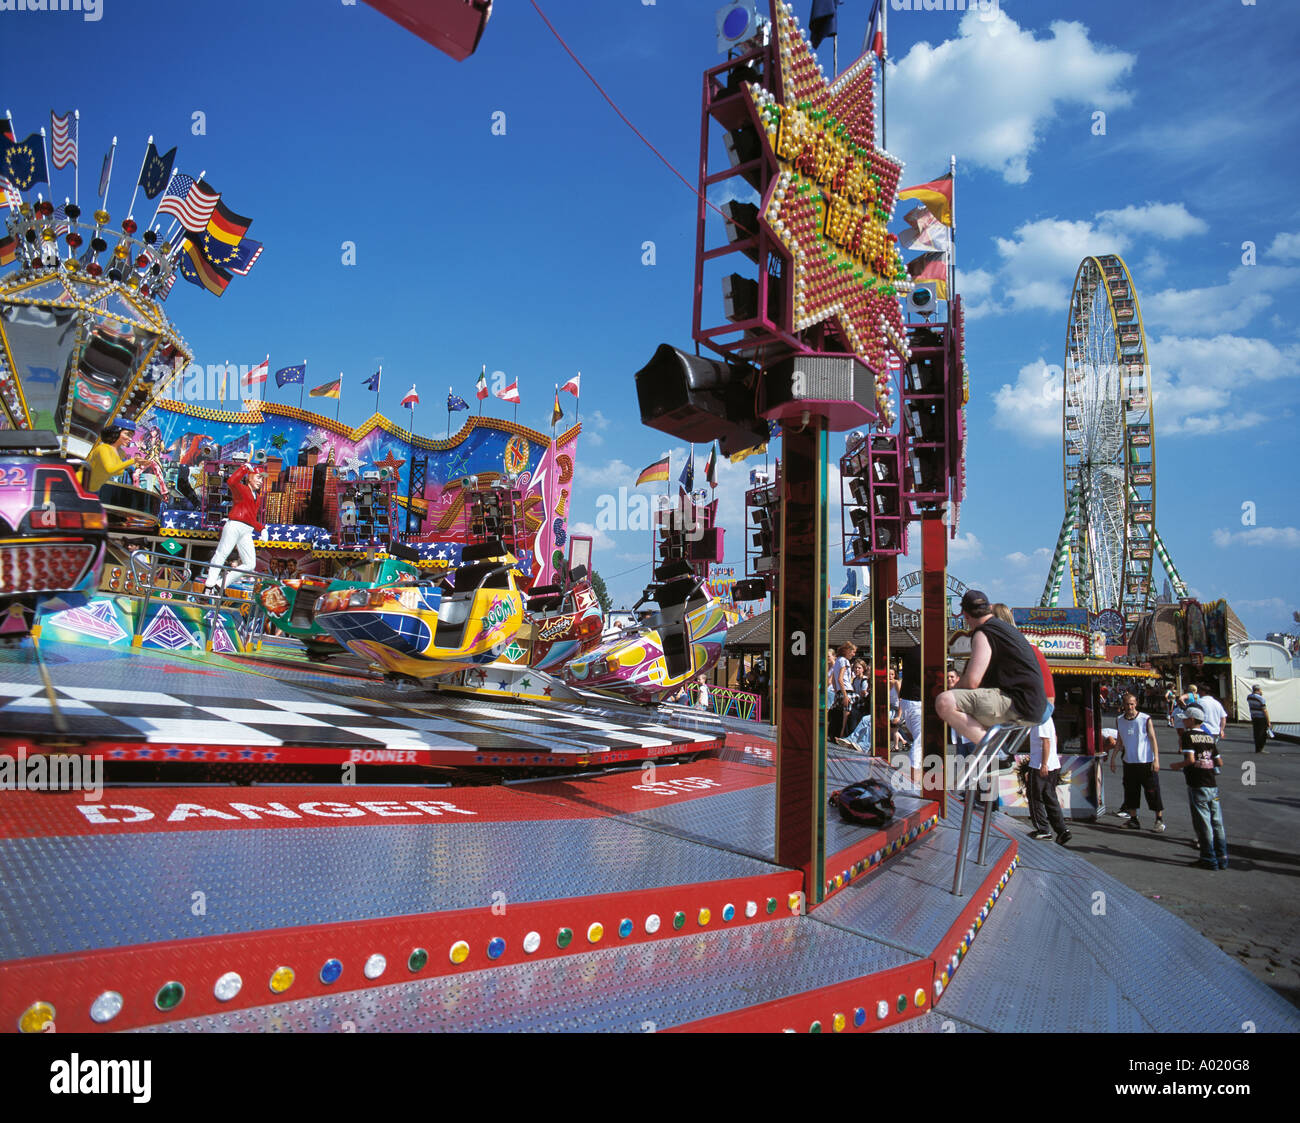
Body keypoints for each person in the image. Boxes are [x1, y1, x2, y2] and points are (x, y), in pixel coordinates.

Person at [935, 589, 1048, 747]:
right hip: (1032, 705)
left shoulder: (984, 633)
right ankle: (987, 741)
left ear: (965, 615)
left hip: (1018, 704)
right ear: (989, 608)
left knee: (945, 702)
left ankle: (990, 745)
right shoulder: (1005, 629)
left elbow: (972, 681)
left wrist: (951, 689)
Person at [1169, 704, 1228, 870]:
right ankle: (1222, 856)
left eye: (1186, 719)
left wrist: (1177, 765)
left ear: (1192, 719)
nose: (1184, 722)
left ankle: (1208, 857)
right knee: (1217, 822)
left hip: (1197, 782)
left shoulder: (1188, 736)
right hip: (1211, 783)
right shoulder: (1209, 737)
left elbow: (1190, 760)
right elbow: (1219, 761)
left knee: (1203, 823)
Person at [202, 462, 266, 595]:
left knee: (250, 564)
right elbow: (231, 481)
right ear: (250, 477)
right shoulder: (242, 489)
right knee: (222, 553)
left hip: (247, 530)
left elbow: (252, 518)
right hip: (235, 525)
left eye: (262, 479)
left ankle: (220, 585)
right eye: (258, 477)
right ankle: (209, 584)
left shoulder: (258, 498)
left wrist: (262, 529)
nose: (261, 481)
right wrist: (243, 468)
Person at [1110, 691, 1166, 832]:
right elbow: (1120, 740)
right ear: (1123, 705)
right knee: (1131, 792)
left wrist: (1156, 759)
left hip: (1146, 761)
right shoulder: (1120, 720)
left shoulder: (1145, 719)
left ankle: (1159, 820)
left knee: (1152, 791)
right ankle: (1133, 819)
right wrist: (1113, 757)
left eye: (1132, 704)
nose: (1130, 707)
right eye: (1127, 704)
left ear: (1136, 704)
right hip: (1129, 762)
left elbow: (1153, 739)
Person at [1026, 716, 1071, 845]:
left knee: (1035, 797)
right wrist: (1052, 757)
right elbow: (1054, 738)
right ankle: (1062, 830)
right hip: (1051, 764)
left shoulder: (1041, 720)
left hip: (1040, 765)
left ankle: (1043, 829)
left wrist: (1044, 763)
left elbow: (1046, 741)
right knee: (1050, 797)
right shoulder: (1048, 718)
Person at [83, 421, 137, 493]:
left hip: (107, 489)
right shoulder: (103, 449)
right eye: (127, 434)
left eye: (131, 436)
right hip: (91, 489)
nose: (130, 439)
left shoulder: (121, 453)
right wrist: (133, 461)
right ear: (116, 433)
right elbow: (110, 470)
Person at [896, 644, 924, 779]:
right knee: (920, 740)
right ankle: (916, 779)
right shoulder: (924, 652)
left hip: (908, 700)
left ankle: (917, 777)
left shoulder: (912, 651)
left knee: (919, 739)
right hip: (917, 701)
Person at [1246, 684, 1272, 754]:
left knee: (1256, 733)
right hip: (1261, 717)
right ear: (1258, 690)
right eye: (1260, 690)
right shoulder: (1261, 699)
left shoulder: (1249, 697)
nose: (1261, 691)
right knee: (1262, 734)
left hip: (1254, 717)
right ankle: (1260, 748)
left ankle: (1257, 748)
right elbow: (1264, 710)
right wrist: (1268, 721)